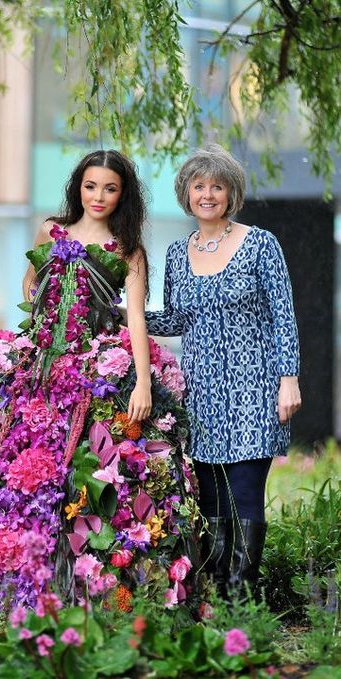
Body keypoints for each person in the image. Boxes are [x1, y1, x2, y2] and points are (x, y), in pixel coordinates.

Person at [0, 150, 200, 621]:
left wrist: (141, 381)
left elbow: (136, 319)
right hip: (35, 375)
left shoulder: (128, 249)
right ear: (78, 186)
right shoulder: (50, 230)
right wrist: (40, 323)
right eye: (91, 186)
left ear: (124, 195)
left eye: (110, 188)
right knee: (7, 472)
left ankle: (77, 591)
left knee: (81, 476)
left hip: (90, 376)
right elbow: (30, 281)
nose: (98, 196)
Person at [145, 143, 301, 598]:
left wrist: (287, 379)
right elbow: (175, 319)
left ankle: (242, 599)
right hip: (203, 393)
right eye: (199, 186)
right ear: (186, 193)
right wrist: (126, 317)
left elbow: (283, 315)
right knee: (211, 497)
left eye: (217, 186)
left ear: (231, 194)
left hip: (256, 387)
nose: (208, 194)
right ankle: (216, 597)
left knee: (246, 495)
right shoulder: (177, 253)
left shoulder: (261, 243)